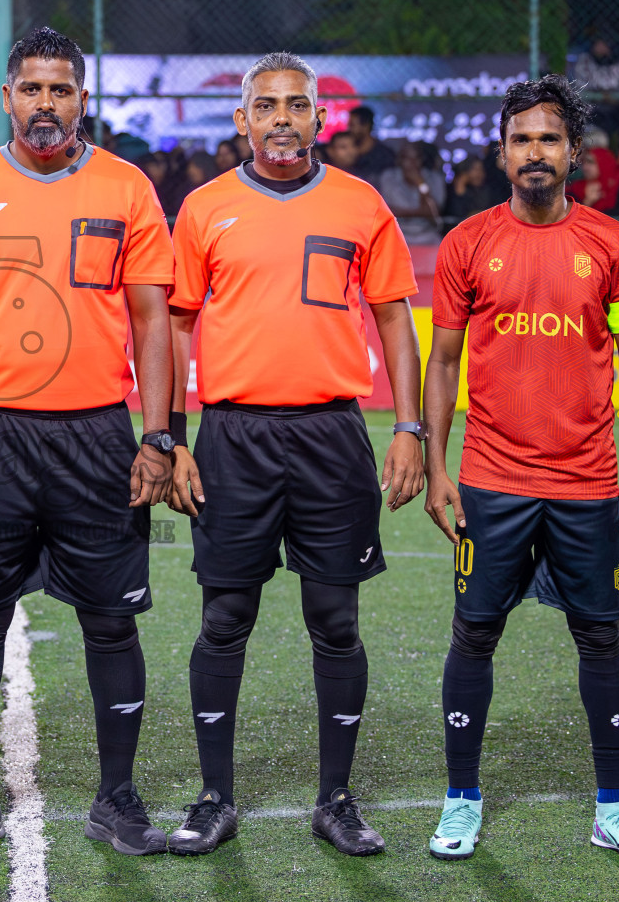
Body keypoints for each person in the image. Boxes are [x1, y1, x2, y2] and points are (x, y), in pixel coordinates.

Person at [0, 27, 175, 857]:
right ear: (6, 98)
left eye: (61, 89)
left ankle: (118, 797)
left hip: (98, 435)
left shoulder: (128, 189)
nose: (45, 104)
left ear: (83, 99)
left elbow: (151, 323)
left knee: (111, 622)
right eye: (31, 89)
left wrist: (159, 436)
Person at [163, 51, 424, 858]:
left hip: (331, 435)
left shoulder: (360, 203)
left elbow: (393, 320)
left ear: (320, 119)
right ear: (240, 121)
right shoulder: (205, 208)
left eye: (297, 105)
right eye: (266, 105)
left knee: (335, 620)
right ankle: (214, 798)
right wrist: (170, 438)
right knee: (225, 616)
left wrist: (408, 428)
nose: (282, 117)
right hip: (233, 437)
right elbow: (174, 325)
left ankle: (337, 799)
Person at [422, 74, 619, 864]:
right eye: (522, 138)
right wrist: (436, 466)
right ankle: (461, 799)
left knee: (600, 639)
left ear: (571, 153)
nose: (535, 151)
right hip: (491, 479)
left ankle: (615, 805)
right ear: (502, 152)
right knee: (475, 633)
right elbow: (443, 362)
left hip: (588, 482)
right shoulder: (467, 244)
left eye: (548, 139)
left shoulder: (612, 244)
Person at [375, 141, 445, 243]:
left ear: (422, 160)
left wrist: (421, 184)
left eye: (416, 158)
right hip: (397, 232)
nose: (412, 163)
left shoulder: (435, 178)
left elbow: (433, 213)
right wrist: (421, 212)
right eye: (407, 158)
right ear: (400, 160)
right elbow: (386, 211)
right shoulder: (388, 177)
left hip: (427, 234)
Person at [345, 105, 395, 182]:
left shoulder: (384, 155)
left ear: (366, 126)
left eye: (352, 125)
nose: (348, 129)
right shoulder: (348, 154)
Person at [445, 156, 500, 222]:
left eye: (482, 170)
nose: (480, 174)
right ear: (465, 172)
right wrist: (460, 185)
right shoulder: (450, 189)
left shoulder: (485, 190)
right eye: (476, 169)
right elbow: (456, 214)